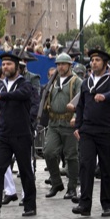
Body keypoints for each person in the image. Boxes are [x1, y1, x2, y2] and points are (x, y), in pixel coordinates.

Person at [0, 51, 37, 218]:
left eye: (9, 64)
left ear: (16, 67)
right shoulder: (2, 85)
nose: (5, 67)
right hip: (4, 134)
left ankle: (30, 205)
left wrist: (2, 96)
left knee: (26, 171)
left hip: (21, 134)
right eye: (3, 64)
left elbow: (21, 96)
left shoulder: (24, 84)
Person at [72, 47, 110, 217]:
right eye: (92, 60)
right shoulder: (86, 82)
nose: (93, 63)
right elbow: (80, 106)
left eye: (97, 60)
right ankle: (84, 204)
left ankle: (107, 204)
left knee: (106, 167)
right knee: (86, 165)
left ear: (105, 64)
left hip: (106, 129)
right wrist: (78, 126)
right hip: (88, 130)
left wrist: (105, 96)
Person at [41, 52, 80, 200]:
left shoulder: (77, 82)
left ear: (69, 65)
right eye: (58, 64)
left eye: (63, 64)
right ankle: (56, 182)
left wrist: (76, 117)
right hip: (53, 122)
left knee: (71, 156)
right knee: (48, 152)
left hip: (69, 123)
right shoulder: (53, 81)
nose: (60, 67)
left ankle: (72, 187)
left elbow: (80, 100)